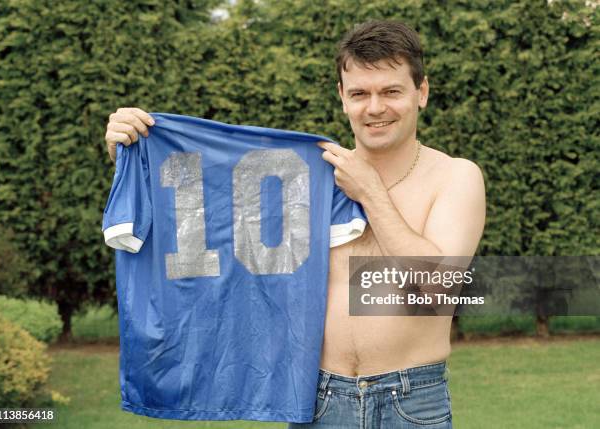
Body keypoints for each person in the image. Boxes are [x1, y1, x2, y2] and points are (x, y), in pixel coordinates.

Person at [104, 20, 485, 429]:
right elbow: (200, 212)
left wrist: (371, 193)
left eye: (391, 91)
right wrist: (136, 158)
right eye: (359, 93)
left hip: (411, 402)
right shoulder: (298, 177)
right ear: (342, 97)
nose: (374, 108)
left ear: (421, 93)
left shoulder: (455, 177)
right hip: (315, 400)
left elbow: (437, 286)